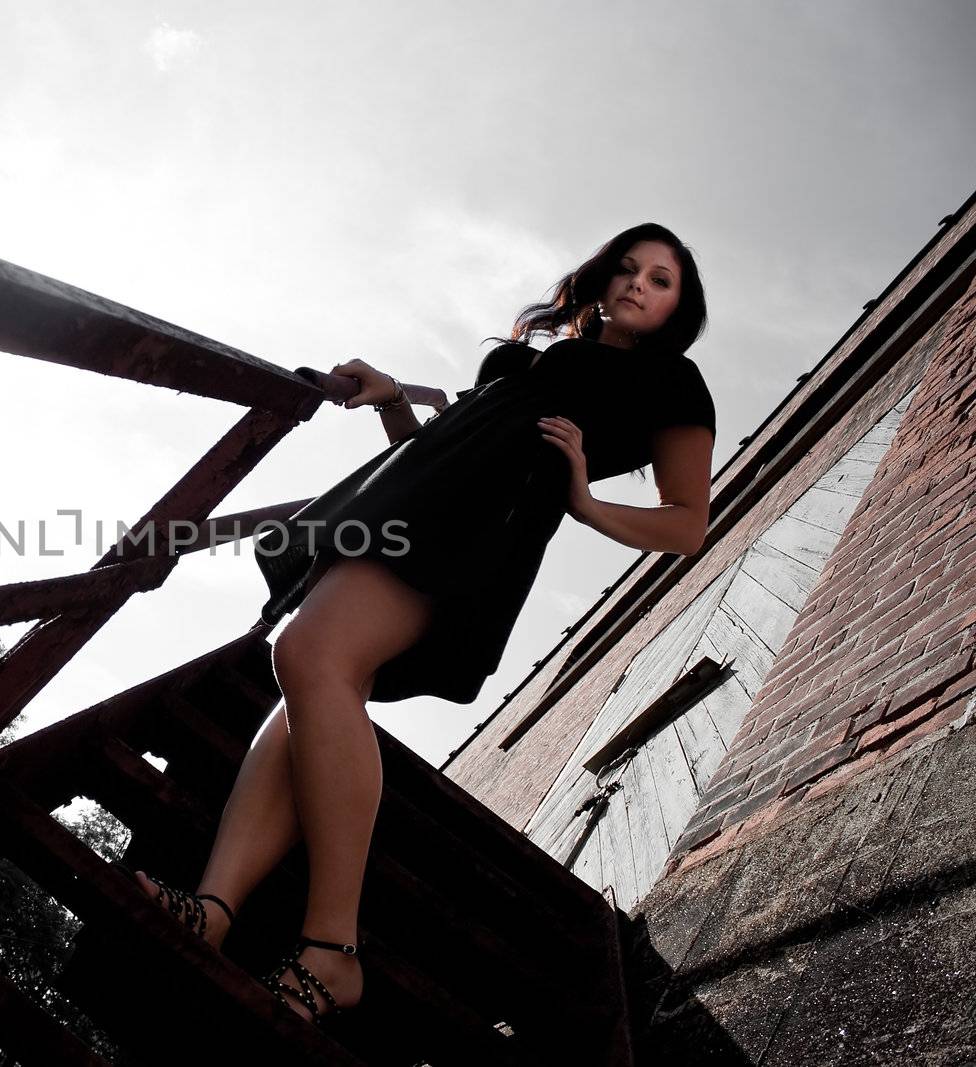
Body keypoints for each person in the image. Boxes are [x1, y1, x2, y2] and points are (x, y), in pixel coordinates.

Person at [132, 223, 716, 1025]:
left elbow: (687, 524)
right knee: (310, 683)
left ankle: (331, 950)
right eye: (627, 268)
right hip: (408, 503)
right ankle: (215, 911)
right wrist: (394, 402)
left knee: (310, 658)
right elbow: (450, 443)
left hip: (479, 532)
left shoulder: (672, 381)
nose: (636, 285)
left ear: (679, 306)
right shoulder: (547, 355)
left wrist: (583, 499)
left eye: (660, 280)